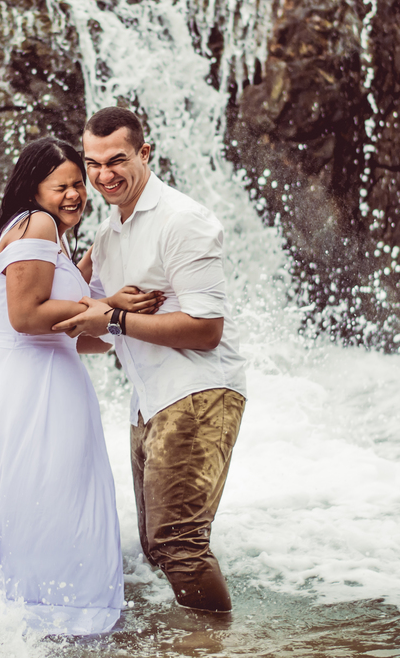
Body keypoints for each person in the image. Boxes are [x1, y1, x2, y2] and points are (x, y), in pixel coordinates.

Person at [0, 136, 160, 635]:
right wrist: (108, 308)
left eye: (77, 185)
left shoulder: (50, 239)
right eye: (59, 185)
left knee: (48, 520)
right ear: (33, 188)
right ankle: (68, 632)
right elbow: (25, 317)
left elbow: (82, 339)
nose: (73, 195)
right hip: (28, 398)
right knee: (55, 518)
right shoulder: (35, 224)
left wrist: (106, 313)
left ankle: (36, 635)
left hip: (41, 394)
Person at [54, 107, 248, 613]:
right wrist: (94, 321)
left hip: (200, 391)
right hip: (149, 400)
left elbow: (207, 331)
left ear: (144, 153)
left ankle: (217, 645)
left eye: (116, 160)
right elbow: (92, 332)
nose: (102, 175)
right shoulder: (107, 236)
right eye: (92, 164)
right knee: (156, 548)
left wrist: (112, 319)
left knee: (179, 545)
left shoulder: (182, 220)